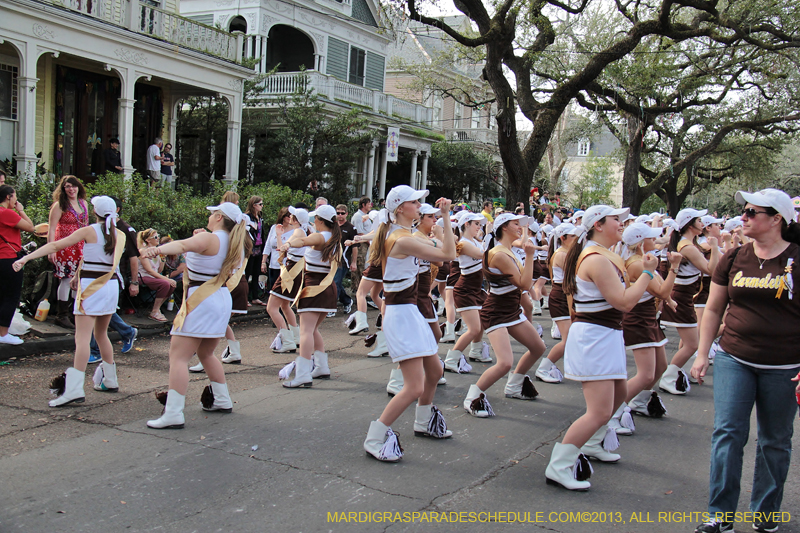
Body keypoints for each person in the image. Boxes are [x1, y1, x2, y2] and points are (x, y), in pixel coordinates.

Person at [691, 189, 800, 533]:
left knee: (775, 440)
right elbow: (713, 308)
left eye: (753, 212)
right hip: (734, 357)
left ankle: (765, 512)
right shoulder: (735, 257)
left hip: (785, 366)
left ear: (776, 219)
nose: (744, 216)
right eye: (745, 210)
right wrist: (702, 352)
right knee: (727, 434)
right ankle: (719, 514)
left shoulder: (797, 258)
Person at [544, 205, 657, 491]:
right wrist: (648, 273)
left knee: (619, 395)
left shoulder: (604, 255)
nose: (622, 224)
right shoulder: (596, 259)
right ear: (598, 225)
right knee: (598, 411)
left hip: (606, 334)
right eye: (616, 220)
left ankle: (593, 444)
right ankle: (558, 466)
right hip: (595, 336)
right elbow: (625, 302)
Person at [363, 187, 456, 462]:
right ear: (401, 208)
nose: (419, 205)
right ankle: (375, 437)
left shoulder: (407, 235)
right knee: (414, 387)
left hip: (409, 311)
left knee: (436, 370)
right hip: (401, 315)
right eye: (415, 202)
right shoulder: (401, 240)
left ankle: (424, 420)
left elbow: (442, 249)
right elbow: (449, 253)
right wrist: (447, 217)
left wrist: (438, 228)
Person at [143, 202, 249, 429]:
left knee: (179, 357)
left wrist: (156, 249)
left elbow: (180, 245)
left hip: (202, 299)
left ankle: (173, 413)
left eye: (212, 213)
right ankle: (221, 399)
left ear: (220, 217)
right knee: (207, 353)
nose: (209, 216)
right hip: (219, 297)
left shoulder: (212, 238)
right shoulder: (234, 241)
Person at [14, 196, 126, 406]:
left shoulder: (90, 230)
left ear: (95, 212)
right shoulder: (119, 234)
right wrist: (77, 274)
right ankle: (110, 380)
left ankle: (74, 389)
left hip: (92, 286)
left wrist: (26, 258)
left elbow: (56, 245)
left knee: (82, 337)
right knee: (101, 334)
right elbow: (98, 257)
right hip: (110, 286)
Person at [462, 213, 547, 416]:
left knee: (538, 347)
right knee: (504, 362)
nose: (520, 227)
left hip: (511, 310)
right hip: (495, 312)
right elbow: (525, 284)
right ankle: (473, 396)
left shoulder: (509, 250)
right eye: (516, 224)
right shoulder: (499, 254)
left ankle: (515, 385)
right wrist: (528, 256)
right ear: (504, 228)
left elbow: (524, 290)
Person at [617, 223, 681, 428]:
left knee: (661, 367)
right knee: (645, 374)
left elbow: (661, 289)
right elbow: (661, 291)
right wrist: (675, 268)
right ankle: (613, 410)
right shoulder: (637, 264)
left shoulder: (644, 260)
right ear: (640, 242)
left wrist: (669, 299)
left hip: (648, 318)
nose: (655, 241)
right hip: (637, 319)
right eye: (650, 238)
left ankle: (640, 401)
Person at [278, 204, 342, 388]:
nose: (314, 221)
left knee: (306, 331)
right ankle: (321, 367)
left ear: (320, 221)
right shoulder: (334, 236)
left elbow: (304, 241)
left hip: (314, 287)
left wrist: (288, 243)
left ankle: (303, 374)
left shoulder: (321, 237)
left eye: (316, 218)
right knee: (313, 330)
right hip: (328, 288)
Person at [658, 208, 719, 395]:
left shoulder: (688, 244)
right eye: (699, 220)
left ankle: (684, 372)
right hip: (681, 297)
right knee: (693, 343)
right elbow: (711, 269)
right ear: (690, 224)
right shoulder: (687, 246)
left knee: (690, 341)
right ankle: (669, 377)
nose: (703, 224)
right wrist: (716, 246)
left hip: (685, 296)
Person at [88, 197, 141, 361]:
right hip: (95, 277)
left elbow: (134, 258)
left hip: (113, 277)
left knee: (98, 314)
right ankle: (126, 332)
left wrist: (134, 282)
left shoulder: (124, 230)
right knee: (100, 313)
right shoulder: (97, 228)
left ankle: (95, 351)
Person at [534, 222, 581, 383]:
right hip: (561, 298)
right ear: (563, 238)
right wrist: (572, 308)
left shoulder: (564, 253)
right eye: (573, 236)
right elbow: (568, 285)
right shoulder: (561, 255)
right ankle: (544, 367)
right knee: (568, 339)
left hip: (563, 296)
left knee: (571, 338)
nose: (576, 239)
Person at [444, 212, 489, 371]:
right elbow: (484, 256)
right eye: (476, 224)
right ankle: (451, 359)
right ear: (466, 225)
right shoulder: (463, 244)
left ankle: (476, 351)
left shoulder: (475, 242)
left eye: (480, 224)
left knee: (482, 321)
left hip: (476, 289)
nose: (479, 227)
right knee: (474, 328)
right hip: (465, 290)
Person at [48, 175, 89, 329]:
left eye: (74, 186)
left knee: (77, 279)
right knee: (66, 279)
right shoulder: (59, 205)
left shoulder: (83, 203)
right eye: (67, 186)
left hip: (80, 246)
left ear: (79, 187)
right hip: (64, 246)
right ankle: (61, 315)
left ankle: (73, 312)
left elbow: (86, 225)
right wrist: (51, 249)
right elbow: (52, 228)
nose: (71, 189)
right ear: (63, 189)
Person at [265, 206, 307, 354]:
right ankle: (295, 337)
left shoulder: (298, 231)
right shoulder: (304, 230)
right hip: (295, 269)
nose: (289, 217)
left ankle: (288, 341)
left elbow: (281, 249)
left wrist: (278, 235)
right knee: (285, 305)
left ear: (295, 219)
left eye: (292, 215)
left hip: (291, 271)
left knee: (271, 307)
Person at [0, 185, 35, 345]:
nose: (15, 200)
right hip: (9, 258)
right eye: (14, 197)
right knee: (10, 297)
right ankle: (3, 333)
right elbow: (31, 227)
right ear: (8, 197)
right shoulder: (6, 213)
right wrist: (20, 210)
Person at [136, 228, 177, 322]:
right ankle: (154, 311)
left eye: (158, 236)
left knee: (172, 284)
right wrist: (166, 279)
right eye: (155, 237)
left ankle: (157, 308)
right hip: (143, 276)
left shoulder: (156, 253)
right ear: (148, 240)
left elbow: (159, 270)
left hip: (153, 277)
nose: (158, 238)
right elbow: (149, 271)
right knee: (165, 284)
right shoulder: (143, 251)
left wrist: (162, 259)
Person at [262, 207, 292, 296]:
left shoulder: (294, 231)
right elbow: (268, 245)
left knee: (283, 292)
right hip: (273, 264)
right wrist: (263, 261)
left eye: (291, 216)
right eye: (287, 216)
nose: (289, 217)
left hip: (286, 265)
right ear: (282, 216)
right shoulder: (274, 228)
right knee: (273, 290)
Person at [335, 204, 357, 315]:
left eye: (342, 213)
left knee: (336, 282)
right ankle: (347, 301)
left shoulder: (350, 228)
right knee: (335, 283)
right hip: (333, 259)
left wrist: (354, 262)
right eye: (338, 213)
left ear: (346, 214)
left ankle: (331, 307)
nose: (340, 215)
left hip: (344, 260)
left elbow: (354, 246)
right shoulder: (333, 226)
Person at [350, 196, 374, 298]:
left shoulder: (366, 216)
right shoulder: (357, 216)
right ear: (363, 205)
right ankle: (357, 291)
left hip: (367, 244)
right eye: (369, 204)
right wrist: (370, 242)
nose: (370, 206)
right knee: (359, 266)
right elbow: (360, 233)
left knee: (365, 265)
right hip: (361, 245)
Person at [245, 196, 266, 305]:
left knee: (256, 273)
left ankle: (255, 296)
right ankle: (246, 298)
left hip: (259, 247)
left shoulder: (260, 217)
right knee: (248, 272)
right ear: (254, 205)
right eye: (260, 204)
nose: (262, 206)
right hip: (250, 248)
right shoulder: (248, 217)